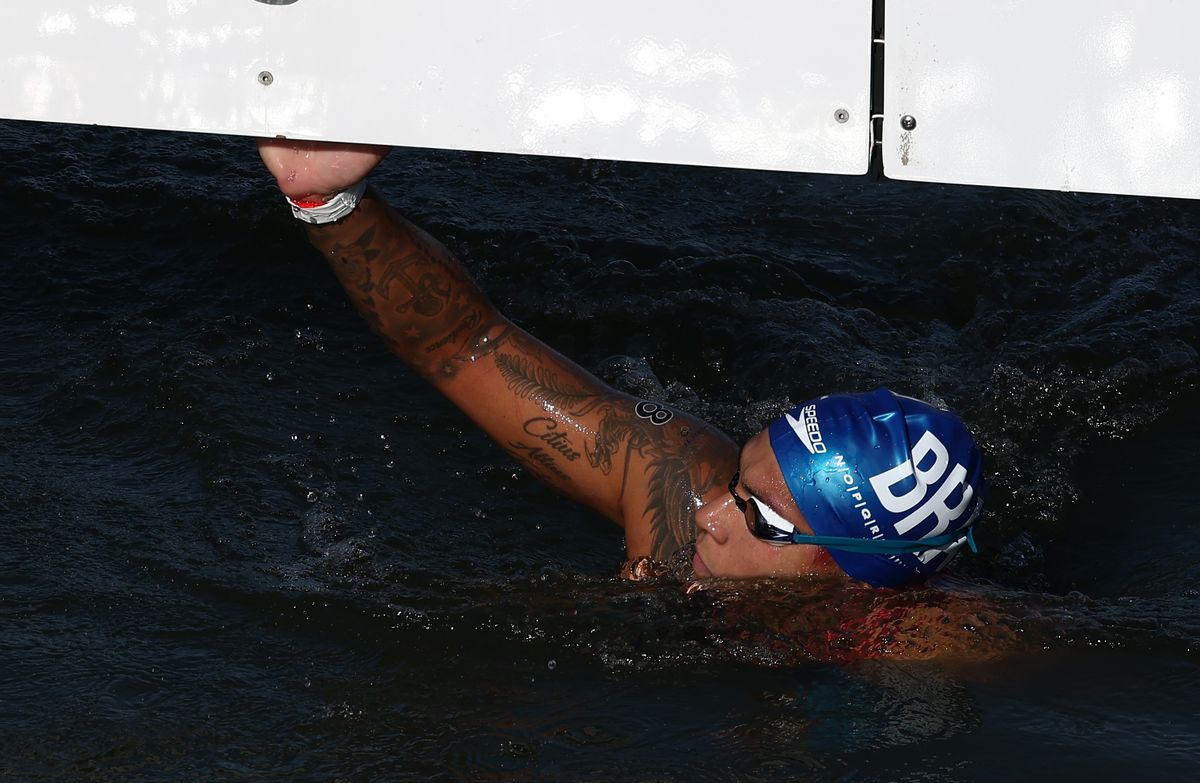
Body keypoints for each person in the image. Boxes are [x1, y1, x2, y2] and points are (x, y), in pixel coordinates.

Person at [257, 140, 985, 589]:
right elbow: (463, 343)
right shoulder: (677, 479)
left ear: (858, 575)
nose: (713, 514)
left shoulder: (905, 655)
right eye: (741, 483)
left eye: (762, 518)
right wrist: (329, 200)